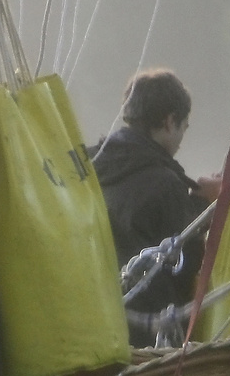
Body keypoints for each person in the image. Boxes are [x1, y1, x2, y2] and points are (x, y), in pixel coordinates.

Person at [90, 69, 221, 346]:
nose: (181, 141)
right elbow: (184, 263)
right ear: (170, 121)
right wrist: (204, 204)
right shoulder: (165, 183)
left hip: (99, 322)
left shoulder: (93, 165)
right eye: (184, 128)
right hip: (148, 334)